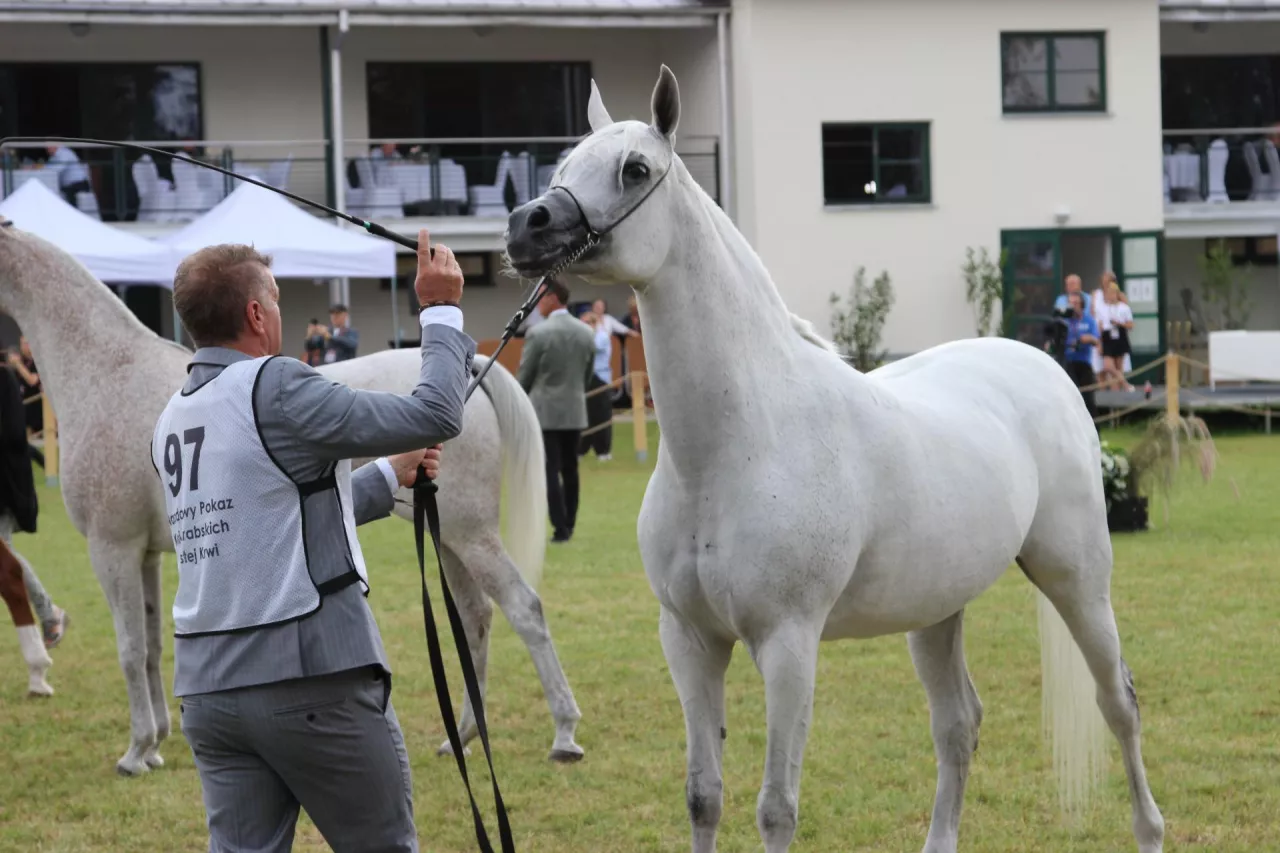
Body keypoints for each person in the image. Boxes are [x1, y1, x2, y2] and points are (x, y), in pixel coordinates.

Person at [153, 228, 473, 853]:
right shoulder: (276, 384)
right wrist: (440, 309)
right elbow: (436, 413)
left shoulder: (173, 416)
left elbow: (268, 517)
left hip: (209, 694)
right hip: (311, 680)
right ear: (255, 313)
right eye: (275, 298)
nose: (279, 311)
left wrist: (389, 476)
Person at [517, 279, 596, 543]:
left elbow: (526, 375)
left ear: (553, 298)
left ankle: (559, 526)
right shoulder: (586, 332)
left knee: (550, 469)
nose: (537, 304)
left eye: (540, 298)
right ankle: (570, 522)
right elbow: (587, 374)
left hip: (545, 411)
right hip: (574, 409)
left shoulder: (538, 333)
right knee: (571, 468)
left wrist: (519, 399)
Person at [0, 360, 67, 649]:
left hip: (5, 486)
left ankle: (49, 613)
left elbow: (15, 435)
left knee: (4, 557)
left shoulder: (4, 377)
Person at [579, 299, 638, 462]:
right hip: (586, 378)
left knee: (602, 415)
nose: (584, 326)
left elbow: (594, 347)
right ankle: (581, 449)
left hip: (601, 378)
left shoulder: (602, 336)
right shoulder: (584, 337)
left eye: (587, 323)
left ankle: (603, 451)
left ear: (594, 323)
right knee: (585, 415)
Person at [1060, 290, 1101, 425]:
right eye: (1071, 303)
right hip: (1068, 362)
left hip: (1083, 363)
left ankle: (1094, 429)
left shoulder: (1089, 320)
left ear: (1082, 305)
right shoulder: (1064, 321)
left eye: (1076, 303)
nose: (1073, 306)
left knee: (1088, 398)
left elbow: (1096, 341)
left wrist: (1089, 338)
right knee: (1070, 396)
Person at [1101, 278, 1135, 391]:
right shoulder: (1104, 308)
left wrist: (1119, 323)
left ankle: (1117, 393)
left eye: (1112, 293)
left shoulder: (1124, 308)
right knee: (1108, 366)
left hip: (1120, 335)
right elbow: (1100, 324)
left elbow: (1130, 325)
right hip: (1107, 336)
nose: (1110, 296)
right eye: (1108, 293)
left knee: (1118, 367)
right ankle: (1126, 385)